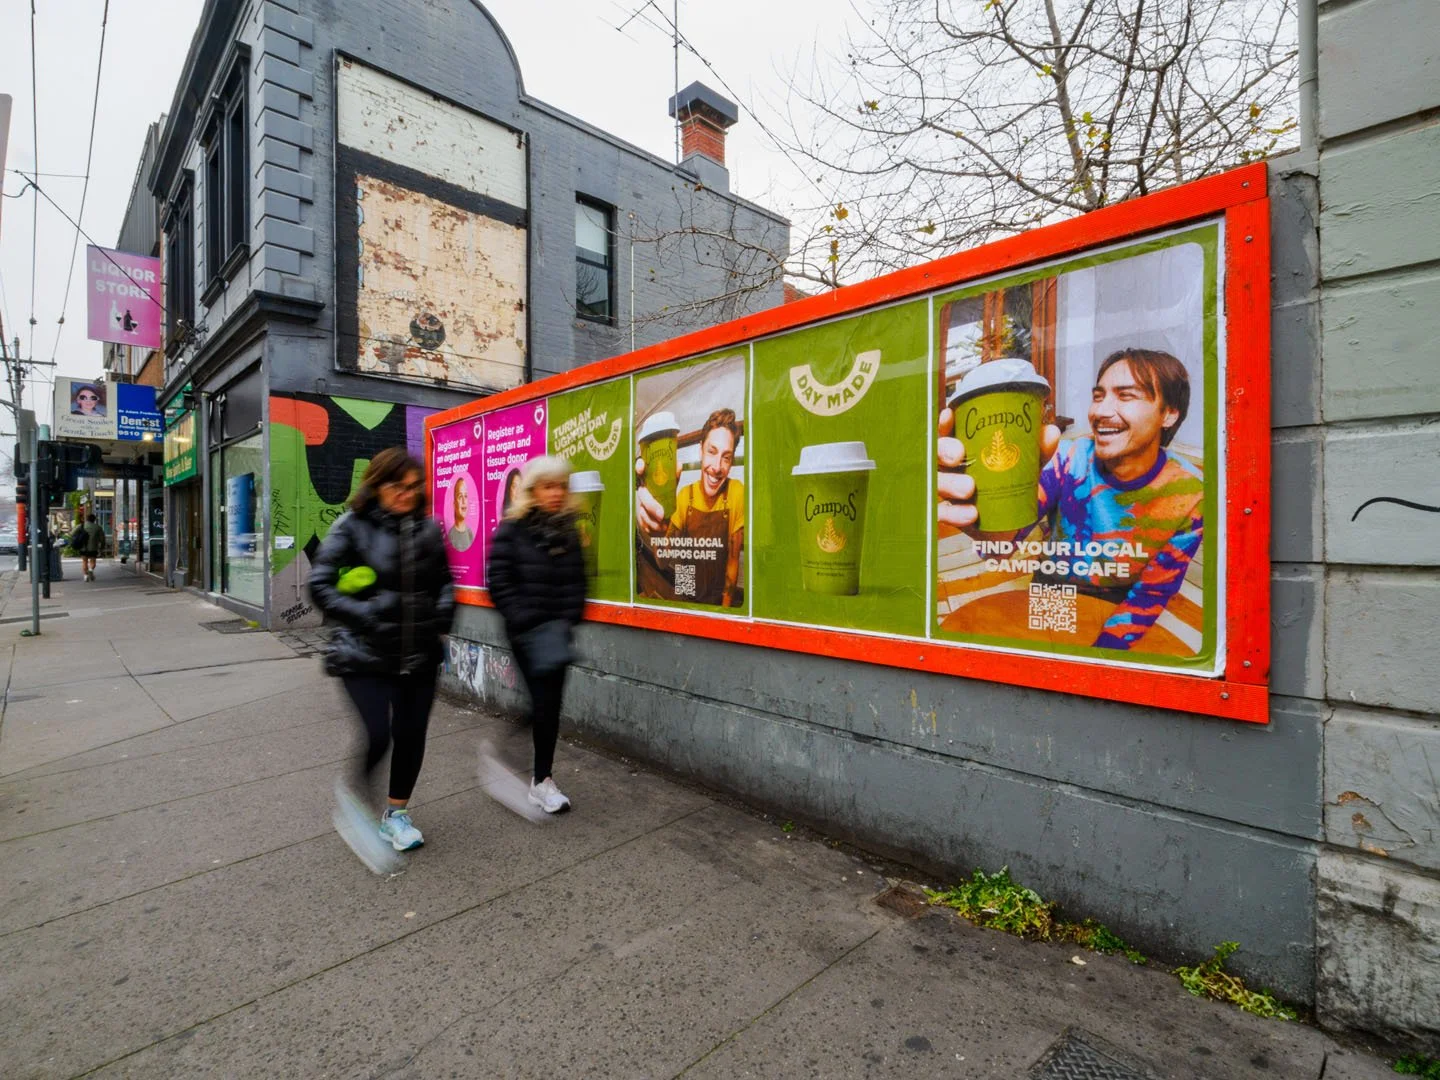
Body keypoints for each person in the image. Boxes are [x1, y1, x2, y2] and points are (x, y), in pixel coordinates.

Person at [937, 349, 1203, 651]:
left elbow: (1151, 594)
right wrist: (983, 518)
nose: (1101, 411)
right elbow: (1004, 542)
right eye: (1099, 396)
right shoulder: (1068, 458)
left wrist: (1103, 659)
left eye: (1126, 396)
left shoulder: (1189, 494)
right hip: (1051, 590)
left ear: (1169, 413)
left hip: (1119, 601)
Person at [309, 448, 455, 872]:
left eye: (414, 487)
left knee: (411, 735)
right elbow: (320, 585)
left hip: (419, 652)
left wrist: (443, 611)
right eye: (398, 486)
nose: (408, 494)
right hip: (363, 653)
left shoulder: (428, 530)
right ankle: (354, 796)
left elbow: (443, 581)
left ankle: (396, 814)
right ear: (376, 485)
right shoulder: (350, 527)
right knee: (378, 733)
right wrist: (368, 615)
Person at [487, 456, 587, 814]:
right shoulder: (512, 530)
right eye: (549, 486)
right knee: (543, 703)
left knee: (548, 706)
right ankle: (538, 779)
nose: (557, 493)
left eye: (561, 486)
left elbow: (579, 581)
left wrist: (568, 617)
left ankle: (538, 777)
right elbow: (498, 581)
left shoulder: (567, 530)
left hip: (556, 634)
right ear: (532, 491)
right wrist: (523, 618)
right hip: (526, 633)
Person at [634, 408, 745, 607]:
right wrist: (658, 530)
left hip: (720, 600)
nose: (717, 467)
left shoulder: (736, 493)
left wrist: (723, 612)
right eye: (712, 452)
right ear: (700, 450)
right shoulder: (686, 496)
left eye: (726, 457)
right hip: (688, 595)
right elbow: (662, 562)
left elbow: (732, 561)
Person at [448, 475, 475, 552]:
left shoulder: (470, 534)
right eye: (460, 497)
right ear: (454, 504)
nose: (464, 501)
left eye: (465, 496)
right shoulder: (451, 536)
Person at [79, 514, 106, 582]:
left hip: (83, 547)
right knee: (93, 561)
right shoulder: (98, 527)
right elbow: (102, 539)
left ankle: (85, 576)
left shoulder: (81, 526)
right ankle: (91, 570)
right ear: (94, 520)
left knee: (84, 561)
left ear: (87, 519)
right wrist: (102, 547)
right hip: (93, 547)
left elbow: (72, 533)